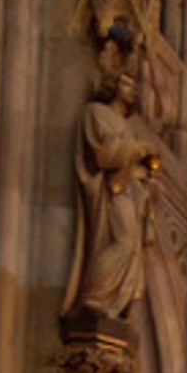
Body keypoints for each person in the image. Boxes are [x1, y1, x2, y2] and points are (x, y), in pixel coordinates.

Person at [65, 63, 160, 321]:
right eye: (127, 83)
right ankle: (94, 297)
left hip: (126, 191)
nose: (133, 89)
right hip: (110, 192)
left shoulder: (127, 127)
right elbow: (104, 155)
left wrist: (146, 177)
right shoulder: (97, 113)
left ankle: (110, 303)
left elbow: (130, 162)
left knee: (130, 246)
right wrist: (137, 149)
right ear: (114, 86)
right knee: (123, 242)